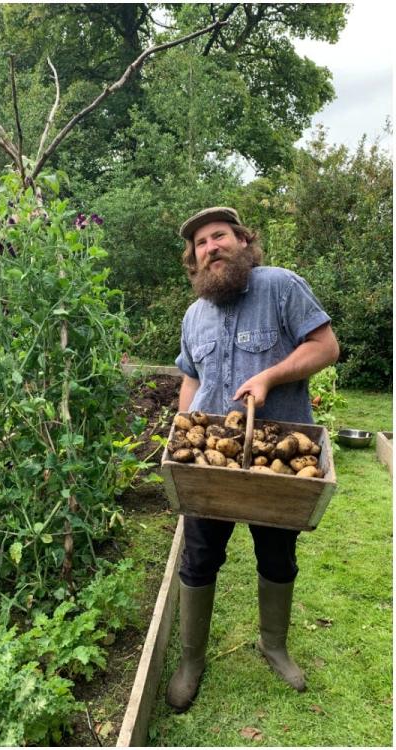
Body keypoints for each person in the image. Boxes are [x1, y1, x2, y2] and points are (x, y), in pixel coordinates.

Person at [166, 207, 340, 712]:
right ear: (194, 258)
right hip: (208, 464)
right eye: (200, 243)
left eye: (219, 236)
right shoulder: (194, 314)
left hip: (277, 460)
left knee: (277, 557)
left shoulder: (280, 287)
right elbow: (191, 379)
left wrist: (268, 378)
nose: (210, 247)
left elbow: (325, 346)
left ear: (243, 241)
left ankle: (274, 645)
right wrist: (183, 437)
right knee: (198, 558)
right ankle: (191, 660)